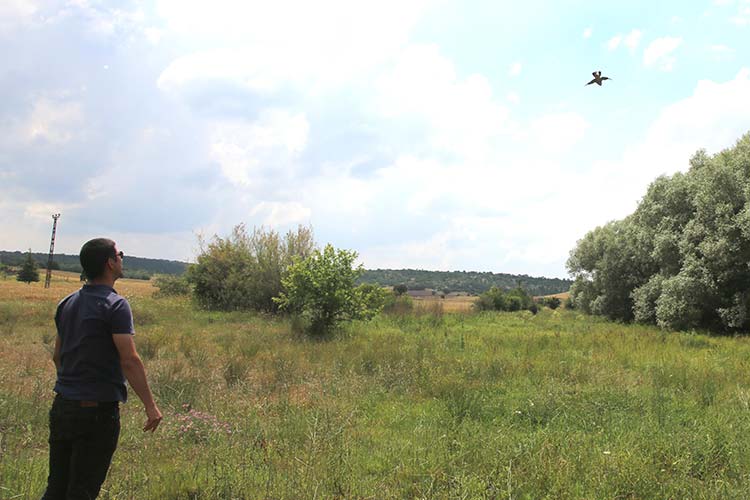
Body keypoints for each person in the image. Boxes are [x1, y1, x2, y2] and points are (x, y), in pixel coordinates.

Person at [41, 238, 162, 499]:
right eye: (120, 254)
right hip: (96, 414)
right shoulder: (116, 305)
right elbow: (129, 359)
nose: (122, 258)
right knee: (82, 491)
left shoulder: (67, 303)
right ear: (110, 263)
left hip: (63, 406)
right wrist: (150, 406)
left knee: (56, 488)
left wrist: (72, 386)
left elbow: (57, 356)